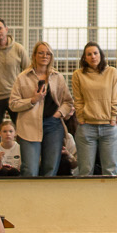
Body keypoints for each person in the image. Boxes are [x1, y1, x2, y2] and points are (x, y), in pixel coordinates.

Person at [9, 42, 70, 178]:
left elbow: (68, 102)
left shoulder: (58, 77)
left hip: (53, 126)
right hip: (29, 125)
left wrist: (59, 113)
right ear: (34, 55)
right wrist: (32, 100)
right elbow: (13, 104)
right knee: (30, 169)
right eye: (41, 53)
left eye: (48, 53)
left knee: (51, 168)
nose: (44, 56)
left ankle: (47, 193)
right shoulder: (23, 77)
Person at [72, 43, 117, 177]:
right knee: (85, 171)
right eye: (89, 54)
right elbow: (78, 99)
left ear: (101, 55)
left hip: (108, 126)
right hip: (87, 127)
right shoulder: (78, 75)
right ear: (84, 58)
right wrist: (81, 118)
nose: (93, 56)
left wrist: (113, 118)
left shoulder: (111, 72)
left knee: (110, 171)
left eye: (95, 53)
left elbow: (116, 97)